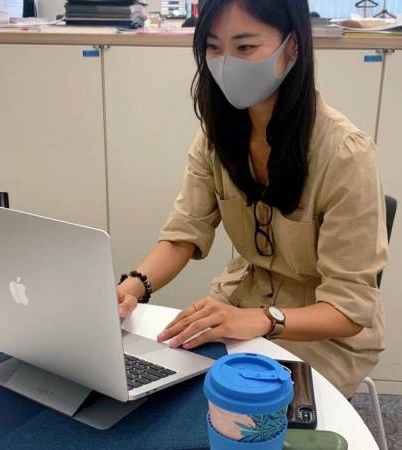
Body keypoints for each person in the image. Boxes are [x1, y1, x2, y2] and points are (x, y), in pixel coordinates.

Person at [117, 0, 388, 398]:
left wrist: (264, 319)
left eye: (245, 47)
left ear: (293, 46)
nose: (227, 63)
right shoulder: (217, 135)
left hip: (322, 334)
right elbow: (183, 234)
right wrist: (131, 288)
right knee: (170, 388)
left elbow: (349, 309)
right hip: (241, 301)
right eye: (213, 47)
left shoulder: (345, 153)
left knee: (245, 410)